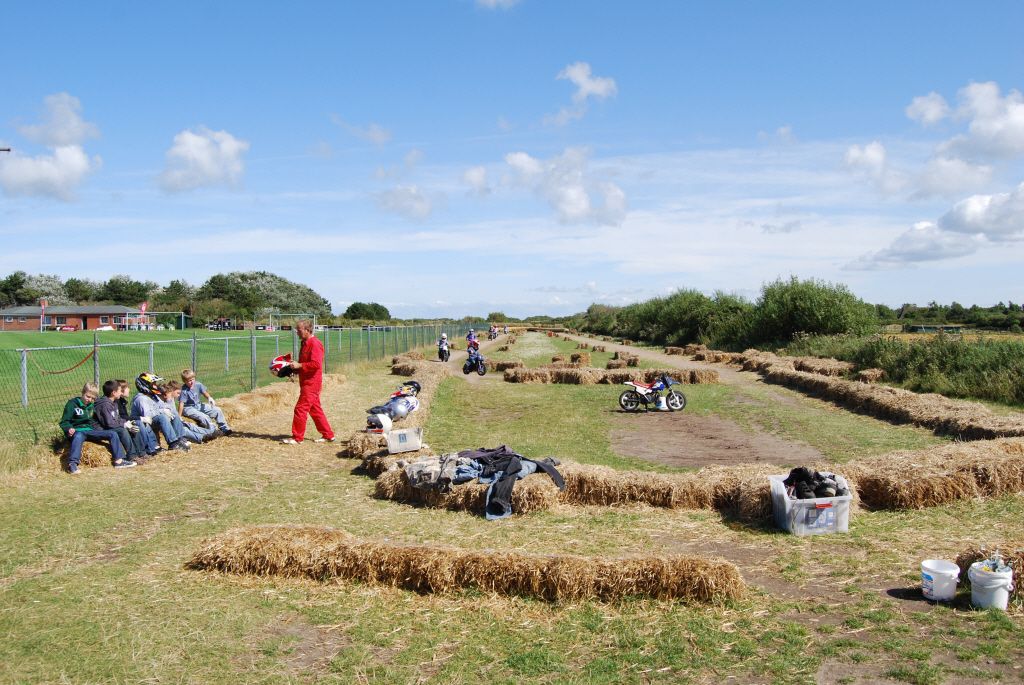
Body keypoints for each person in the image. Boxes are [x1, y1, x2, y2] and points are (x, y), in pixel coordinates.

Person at [58, 382, 133, 474]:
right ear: (82, 392)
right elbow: (64, 421)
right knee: (79, 436)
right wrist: (69, 428)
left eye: (93, 398)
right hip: (77, 431)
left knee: (112, 433)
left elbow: (96, 420)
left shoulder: (91, 406)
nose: (90, 400)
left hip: (90, 430)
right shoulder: (72, 404)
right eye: (88, 396)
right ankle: (73, 464)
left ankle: (119, 461)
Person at [282, 319, 334, 444]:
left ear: (307, 330)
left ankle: (297, 437)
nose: (297, 332)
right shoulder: (304, 343)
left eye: (299, 330)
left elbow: (316, 364)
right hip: (306, 381)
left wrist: (299, 365)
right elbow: (304, 363)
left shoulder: (315, 343)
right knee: (315, 409)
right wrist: (293, 368)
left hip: (312, 383)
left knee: (300, 409)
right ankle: (328, 435)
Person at [131, 373, 192, 452]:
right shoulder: (141, 398)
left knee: (173, 413)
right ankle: (173, 443)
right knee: (162, 417)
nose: (156, 386)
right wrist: (162, 411)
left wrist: (168, 405)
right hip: (144, 424)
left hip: (152, 421)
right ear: (145, 385)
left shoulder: (152, 396)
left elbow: (162, 406)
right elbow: (147, 415)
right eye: (153, 384)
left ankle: (181, 439)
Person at [92, 379, 147, 464]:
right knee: (122, 430)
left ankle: (141, 453)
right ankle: (132, 456)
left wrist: (127, 423)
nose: (121, 392)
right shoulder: (105, 405)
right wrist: (124, 425)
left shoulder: (113, 402)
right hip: (101, 429)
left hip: (110, 426)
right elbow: (109, 423)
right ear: (113, 393)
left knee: (133, 425)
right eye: (119, 391)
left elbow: (117, 419)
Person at [179, 369, 232, 435]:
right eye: (189, 381)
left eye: (193, 379)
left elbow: (204, 392)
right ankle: (213, 431)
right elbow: (181, 403)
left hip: (198, 405)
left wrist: (209, 398)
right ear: (184, 381)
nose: (192, 382)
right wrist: (179, 416)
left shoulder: (198, 384)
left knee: (217, 410)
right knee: (204, 417)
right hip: (188, 408)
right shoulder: (184, 390)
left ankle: (224, 428)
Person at [117, 379, 161, 457]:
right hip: (121, 424)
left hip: (124, 422)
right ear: (121, 390)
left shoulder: (121, 401)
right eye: (127, 388)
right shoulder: (117, 402)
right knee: (139, 423)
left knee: (143, 423)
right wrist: (140, 418)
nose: (129, 390)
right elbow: (123, 417)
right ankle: (146, 449)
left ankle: (154, 446)